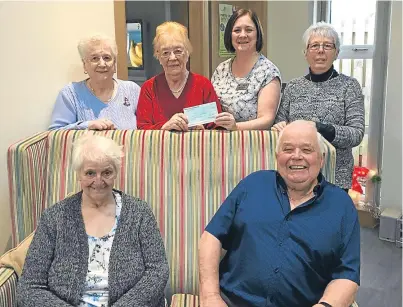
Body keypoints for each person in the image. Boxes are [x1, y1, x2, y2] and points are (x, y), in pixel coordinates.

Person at [199, 120, 360, 307]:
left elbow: (347, 274)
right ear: (277, 156)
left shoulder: (341, 205)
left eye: (307, 150)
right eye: (288, 149)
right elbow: (211, 237)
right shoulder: (253, 184)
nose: (297, 157)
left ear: (322, 158)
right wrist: (210, 295)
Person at [17, 134, 169, 307]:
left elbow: (158, 270)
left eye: (106, 172)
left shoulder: (139, 212)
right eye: (90, 173)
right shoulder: (54, 218)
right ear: (79, 175)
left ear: (116, 173)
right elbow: (29, 287)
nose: (99, 181)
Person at [272, 22, 365, 191]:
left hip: (335, 177)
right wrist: (280, 127)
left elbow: (356, 133)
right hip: (296, 175)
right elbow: (280, 123)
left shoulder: (349, 86)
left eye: (327, 45)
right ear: (305, 53)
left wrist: (319, 128)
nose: (320, 50)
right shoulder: (293, 87)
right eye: (314, 45)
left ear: (336, 53)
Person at [136, 22, 222, 131]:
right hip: (160, 147)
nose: (172, 58)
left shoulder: (203, 85)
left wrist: (202, 132)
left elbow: (218, 127)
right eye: (165, 52)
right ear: (158, 56)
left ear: (187, 52)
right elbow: (142, 129)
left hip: (197, 146)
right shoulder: (149, 88)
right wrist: (164, 128)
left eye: (178, 51)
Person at [49, 34, 140, 130]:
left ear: (114, 64)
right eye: (94, 58)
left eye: (107, 58)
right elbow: (54, 135)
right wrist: (87, 125)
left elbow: (145, 128)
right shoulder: (70, 94)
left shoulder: (132, 90)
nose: (102, 64)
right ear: (84, 65)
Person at [211, 8, 281, 130]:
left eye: (249, 30)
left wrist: (235, 127)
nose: (242, 35)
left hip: (251, 143)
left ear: (257, 34)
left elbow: (266, 119)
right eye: (237, 30)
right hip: (219, 142)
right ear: (229, 35)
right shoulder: (220, 70)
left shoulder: (268, 72)